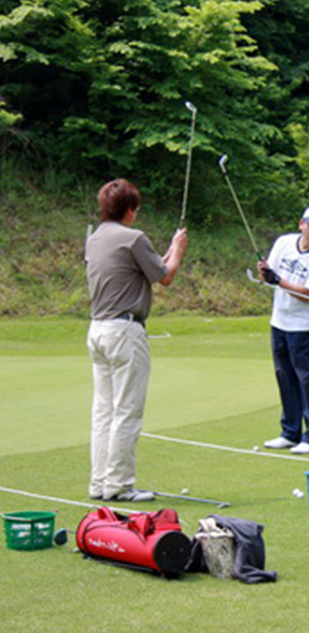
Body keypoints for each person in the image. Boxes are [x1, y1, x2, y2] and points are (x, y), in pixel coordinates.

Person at [85, 179, 188, 502]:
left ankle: (100, 482)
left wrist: (170, 248)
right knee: (126, 411)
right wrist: (179, 250)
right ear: (130, 210)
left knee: (104, 411)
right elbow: (166, 276)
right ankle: (119, 484)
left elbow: (153, 267)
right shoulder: (134, 238)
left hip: (98, 330)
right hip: (124, 332)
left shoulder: (94, 237)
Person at [258, 205, 309, 455]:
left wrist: (277, 280)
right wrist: (265, 274)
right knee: (284, 376)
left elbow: (308, 295)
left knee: (306, 378)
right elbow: (267, 276)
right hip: (279, 321)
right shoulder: (284, 242)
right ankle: (290, 432)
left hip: (303, 327)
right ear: (301, 223)